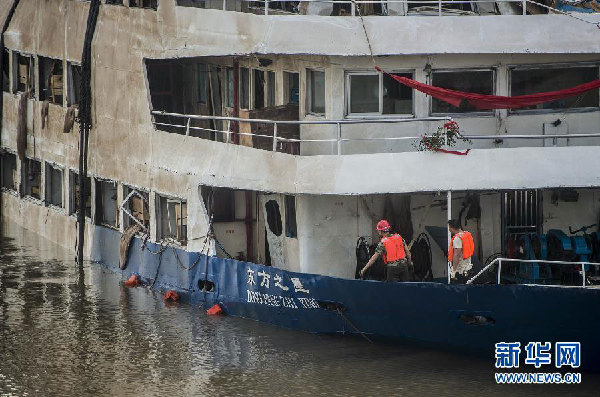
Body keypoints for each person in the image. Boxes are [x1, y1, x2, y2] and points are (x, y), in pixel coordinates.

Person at [448, 219, 474, 284]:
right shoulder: (467, 235)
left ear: (452, 228)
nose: (449, 229)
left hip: (461, 271)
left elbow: (457, 255)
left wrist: (453, 271)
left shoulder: (457, 239)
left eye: (449, 227)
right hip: (468, 268)